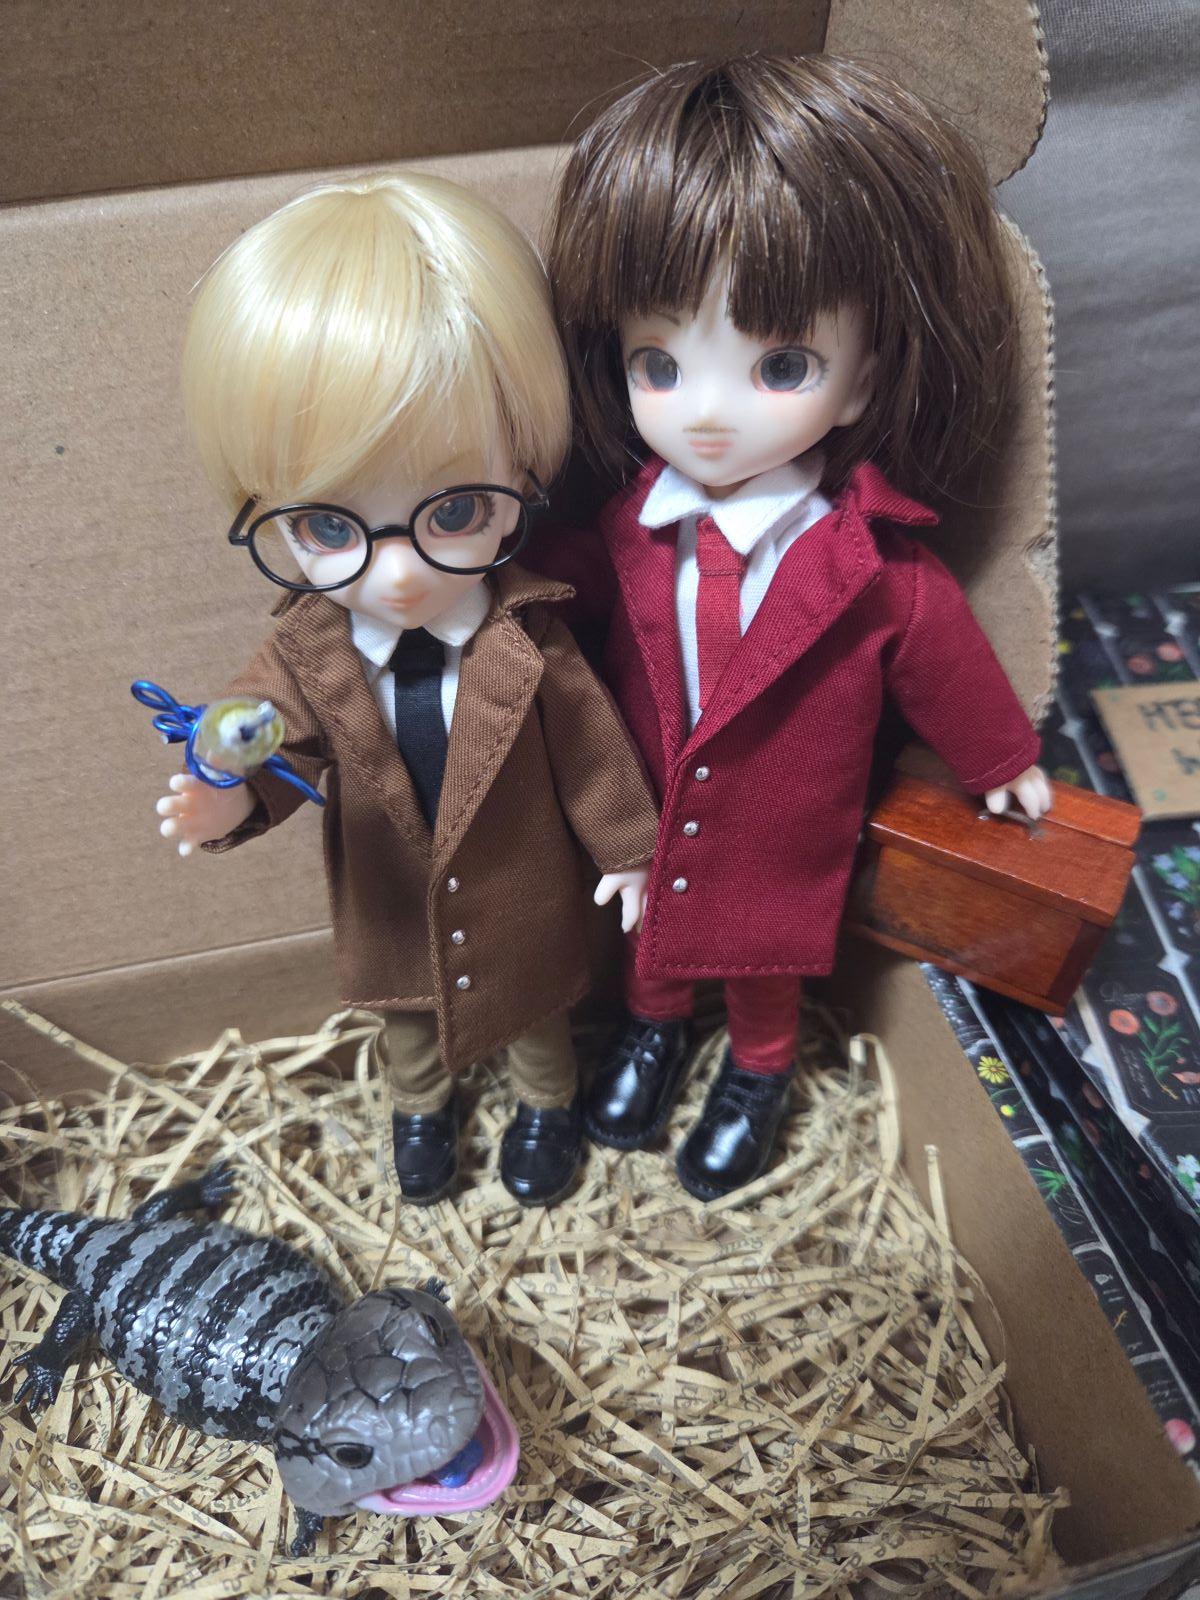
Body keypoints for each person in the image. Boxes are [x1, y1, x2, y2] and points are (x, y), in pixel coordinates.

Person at [535, 54, 1052, 1201]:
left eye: (780, 365)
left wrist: (999, 758)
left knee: (763, 954)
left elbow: (945, 659)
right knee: (653, 935)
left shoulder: (871, 567)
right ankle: (652, 1034)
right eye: (660, 363)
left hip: (785, 817)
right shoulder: (627, 530)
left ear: (860, 382)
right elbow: (556, 593)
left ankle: (758, 1072)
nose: (708, 412)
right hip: (652, 795)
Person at [153, 172, 659, 1208]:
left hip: (521, 884)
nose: (396, 574)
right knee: (407, 1020)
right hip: (390, 892)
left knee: (537, 1014)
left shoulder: (530, 638)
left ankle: (547, 1108)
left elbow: (592, 751)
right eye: (326, 526)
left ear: (523, 479)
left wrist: (629, 849)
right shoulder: (308, 648)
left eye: (455, 510)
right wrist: (226, 792)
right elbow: (271, 733)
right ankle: (420, 1115)